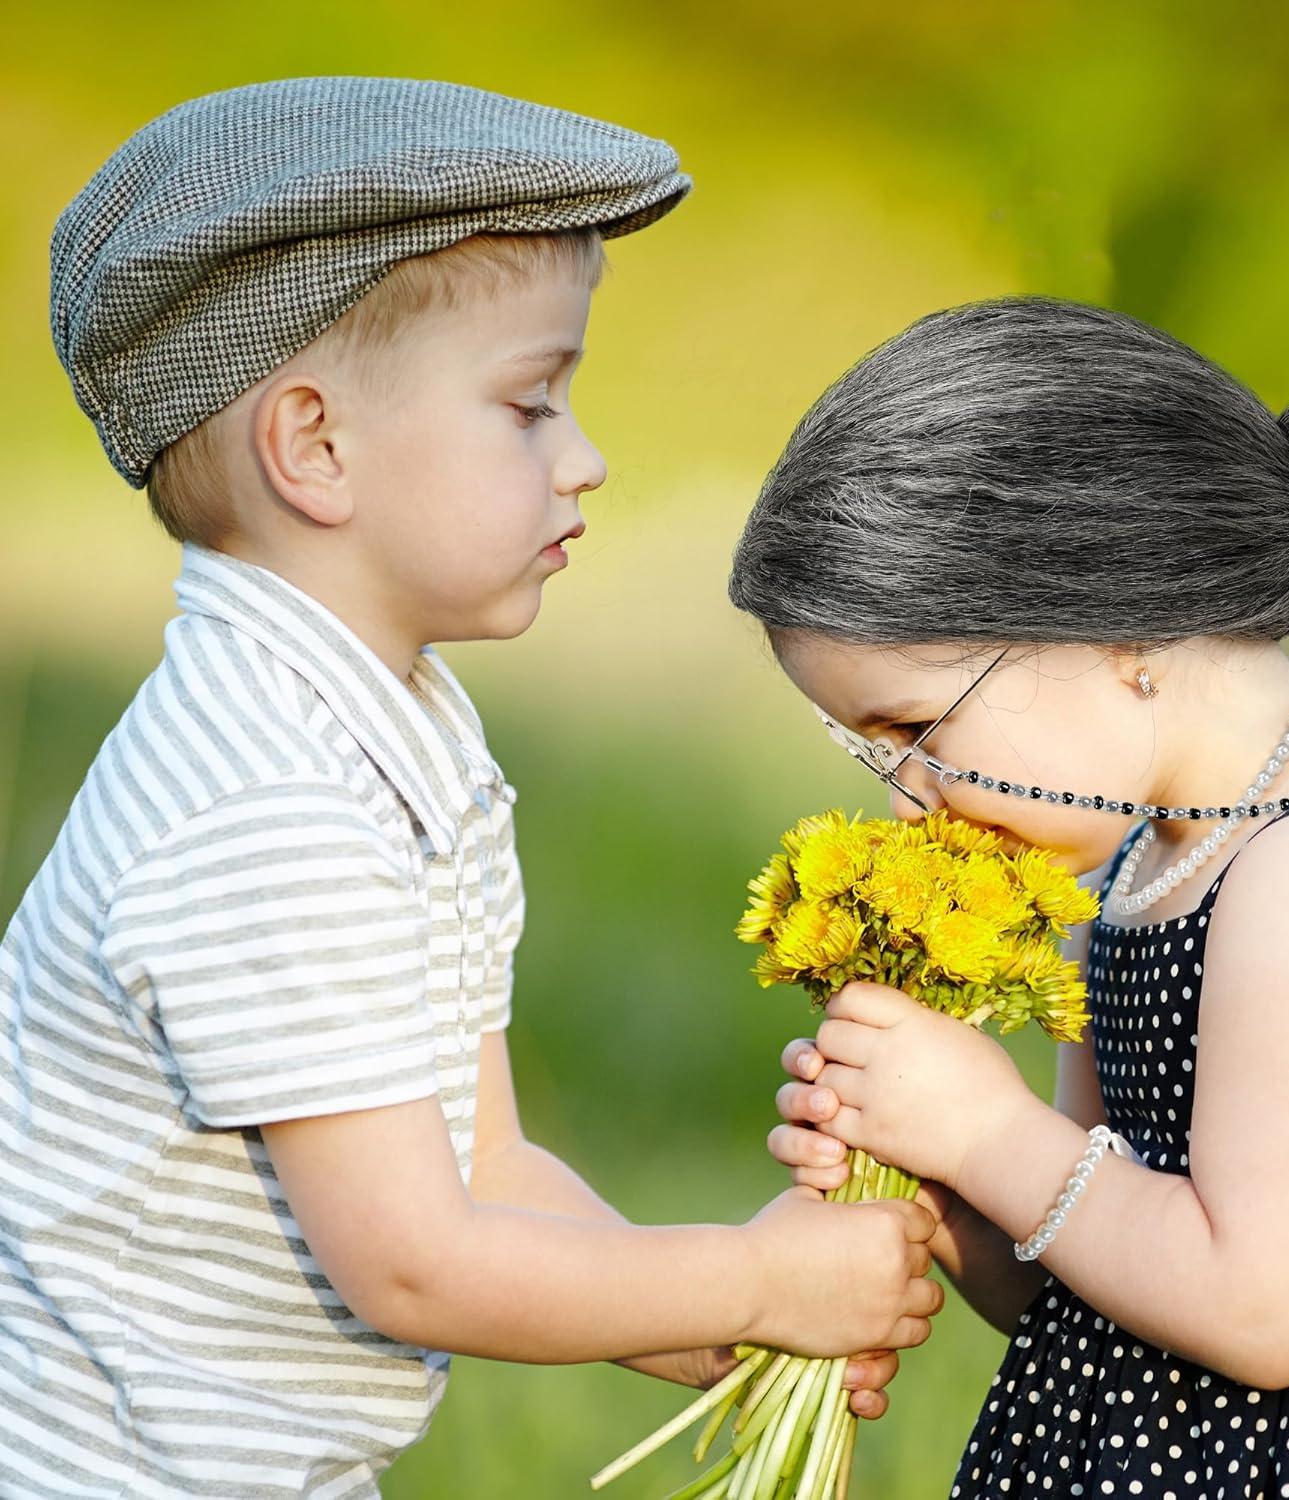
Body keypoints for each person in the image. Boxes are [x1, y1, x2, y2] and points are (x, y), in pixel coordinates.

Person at [0, 76, 939, 1498]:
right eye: (529, 406)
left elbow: (483, 1169)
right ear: (314, 446)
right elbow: (415, 1266)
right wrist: (746, 1278)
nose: (588, 458)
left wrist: (721, 1331)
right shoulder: (266, 805)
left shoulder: (388, 734)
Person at [735, 296, 1289, 1498]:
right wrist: (943, 1185)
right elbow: (1090, 1280)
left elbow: (1259, 1309)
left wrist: (992, 1133)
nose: (908, 800)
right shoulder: (1149, 861)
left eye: (917, 731)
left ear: (1111, 623)